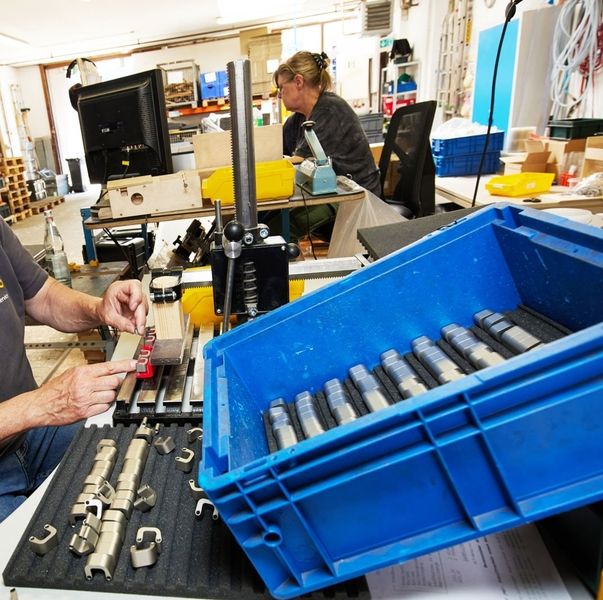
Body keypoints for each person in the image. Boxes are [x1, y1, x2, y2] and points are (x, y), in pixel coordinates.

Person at [0, 217, 147, 521]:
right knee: (32, 560)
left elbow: (44, 296)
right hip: (29, 422)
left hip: (31, 436)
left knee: (140, 456)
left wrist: (99, 309)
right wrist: (41, 404)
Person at [268, 51, 381, 242]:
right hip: (330, 192)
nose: (279, 95)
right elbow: (276, 157)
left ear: (298, 81)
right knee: (267, 218)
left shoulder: (330, 110)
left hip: (354, 195)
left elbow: (297, 162)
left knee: (277, 229)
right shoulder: (296, 122)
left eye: (281, 88)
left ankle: (293, 270)